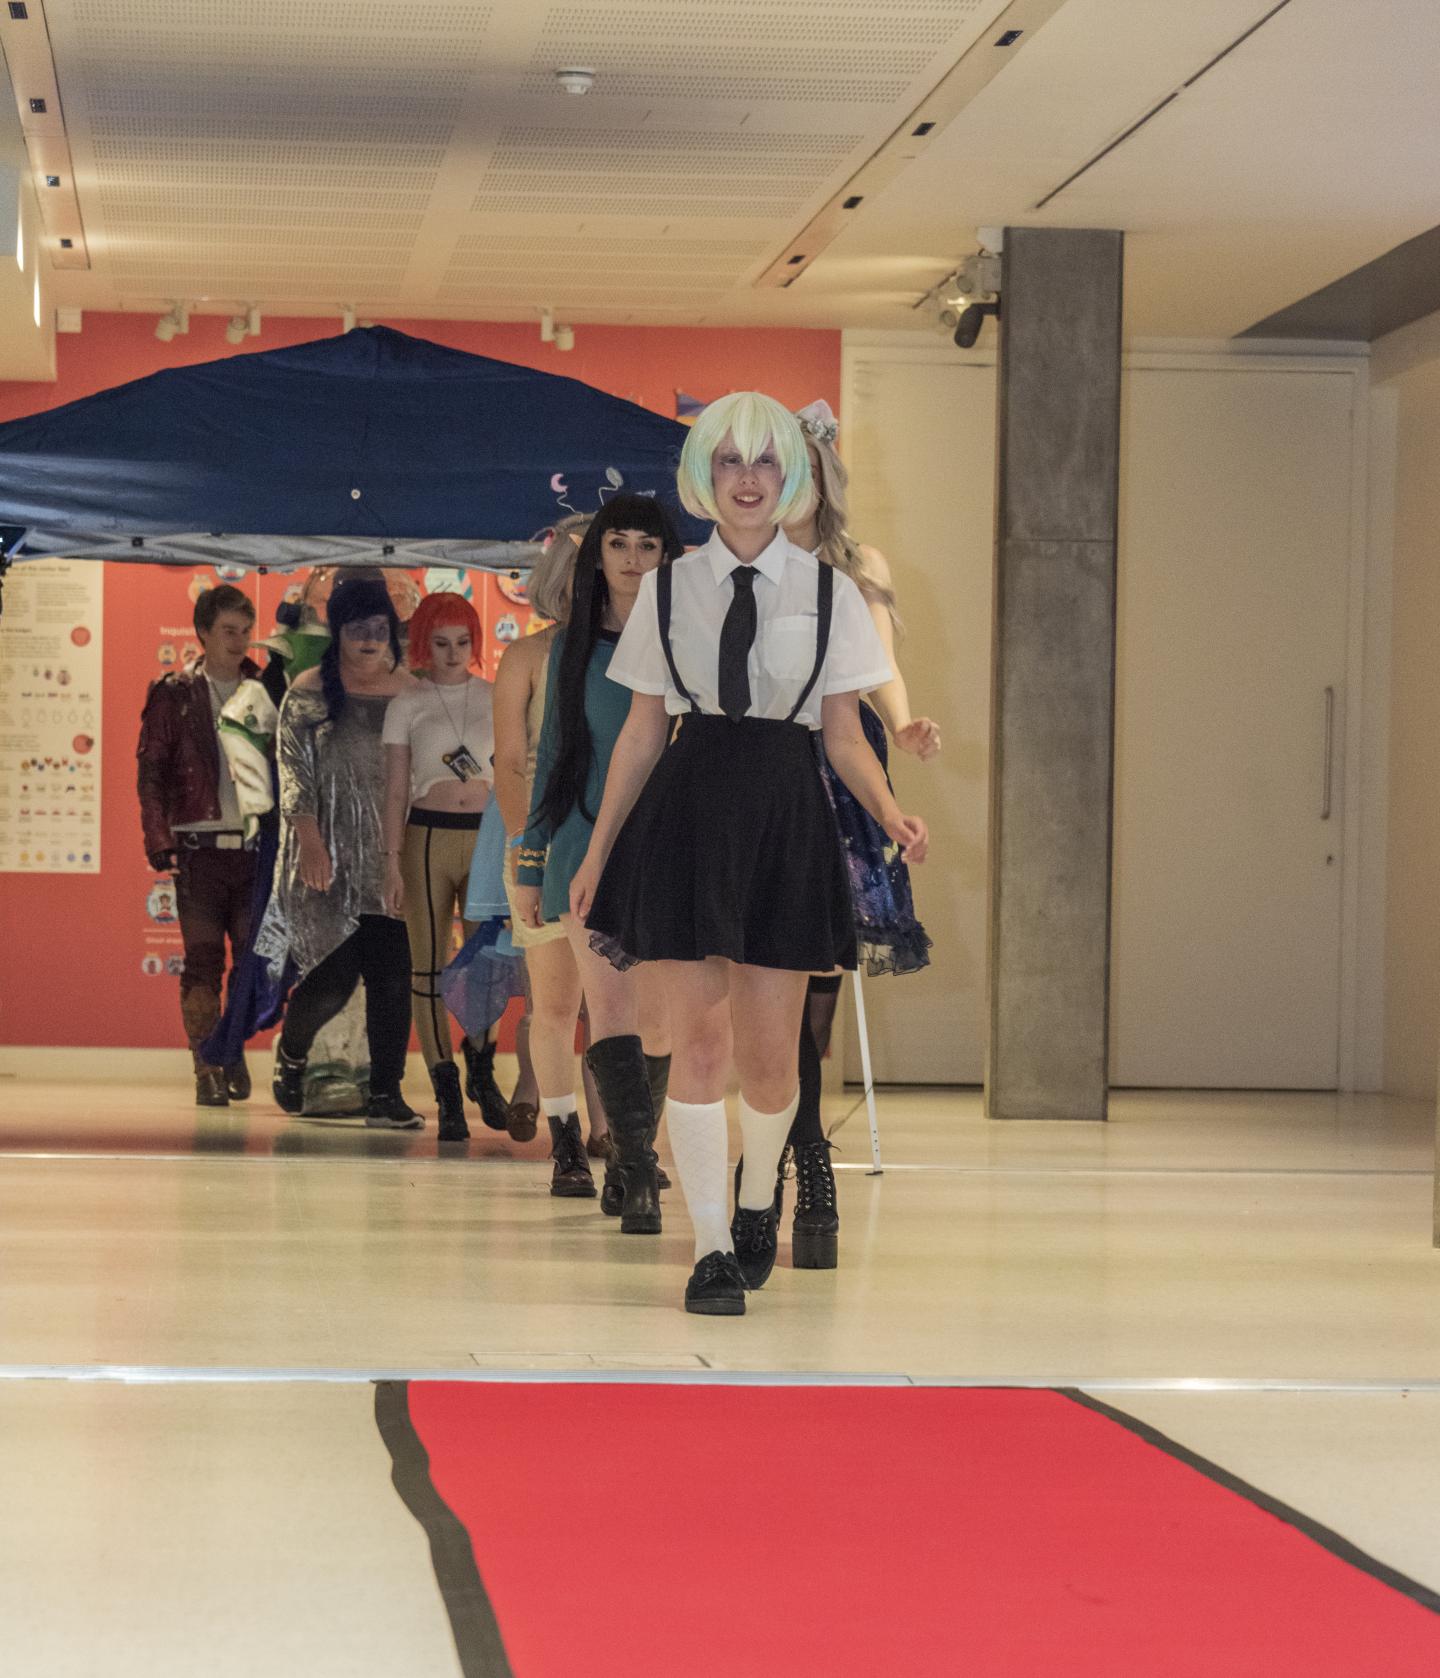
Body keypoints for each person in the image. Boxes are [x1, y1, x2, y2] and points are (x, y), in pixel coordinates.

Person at [571, 392, 928, 1315]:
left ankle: (760, 1194)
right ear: (704, 476)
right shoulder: (666, 590)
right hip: (687, 811)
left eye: (765, 463)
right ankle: (713, 1247)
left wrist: (891, 814)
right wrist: (597, 852)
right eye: (728, 461)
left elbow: (844, 736)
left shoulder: (831, 592)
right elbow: (643, 735)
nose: (746, 479)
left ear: (790, 477)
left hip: (784, 815)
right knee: (696, 1044)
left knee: (770, 1062)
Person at [774, 398, 942, 1269]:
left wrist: (905, 724)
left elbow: (881, 668)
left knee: (817, 977)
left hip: (837, 766)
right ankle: (785, 1153)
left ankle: (806, 1159)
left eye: (798, 465)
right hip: (756, 767)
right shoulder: (728, 564)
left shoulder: (854, 563)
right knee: (760, 984)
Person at [513, 495, 681, 1222]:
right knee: (604, 1006)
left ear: (669, 557)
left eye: (649, 546)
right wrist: (530, 861)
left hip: (672, 840)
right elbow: (551, 754)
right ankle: (633, 1168)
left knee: (664, 1020)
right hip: (582, 839)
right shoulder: (569, 647)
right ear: (597, 555)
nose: (634, 560)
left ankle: (634, 1155)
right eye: (620, 544)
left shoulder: (689, 636)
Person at [258, 574, 422, 1129]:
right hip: (323, 855)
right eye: (358, 629)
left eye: (380, 629)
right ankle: (294, 1053)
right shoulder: (308, 689)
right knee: (333, 979)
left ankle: (386, 1094)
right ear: (338, 632)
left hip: (391, 859)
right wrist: (309, 843)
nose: (371, 639)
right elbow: (294, 777)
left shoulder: (413, 693)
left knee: (392, 976)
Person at [492, 521, 613, 1162]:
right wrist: (527, 850)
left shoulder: (632, 654)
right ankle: (566, 1138)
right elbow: (509, 762)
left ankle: (615, 1132)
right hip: (544, 845)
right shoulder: (528, 656)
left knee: (618, 1006)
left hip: (617, 848)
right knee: (556, 1002)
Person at [381, 592, 505, 1141]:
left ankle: (482, 1065)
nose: (453, 653)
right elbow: (394, 787)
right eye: (440, 642)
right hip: (424, 837)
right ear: (422, 645)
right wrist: (390, 861)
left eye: (462, 642)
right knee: (427, 969)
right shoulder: (407, 702)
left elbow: (518, 775)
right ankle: (445, 1089)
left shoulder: (498, 695)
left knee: (485, 965)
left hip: (486, 838)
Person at [136, 582, 261, 1106]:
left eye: (245, 631)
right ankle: (205, 1065)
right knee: (204, 959)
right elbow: (151, 773)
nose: (238, 641)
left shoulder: (265, 687)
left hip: (256, 847)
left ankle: (231, 1048)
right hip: (198, 849)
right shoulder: (174, 693)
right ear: (203, 633)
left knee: (254, 960)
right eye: (228, 631)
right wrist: (158, 837)